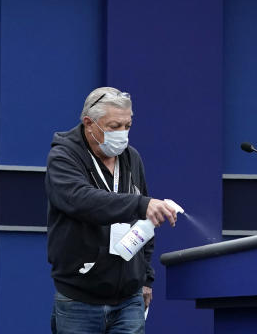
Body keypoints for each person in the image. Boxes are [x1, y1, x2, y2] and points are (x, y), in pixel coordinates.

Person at [46, 87, 178, 333]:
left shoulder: (132, 158)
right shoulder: (63, 156)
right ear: (89, 123)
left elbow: (145, 221)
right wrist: (141, 205)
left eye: (128, 125)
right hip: (79, 300)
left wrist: (146, 278)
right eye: (115, 126)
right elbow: (81, 200)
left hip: (129, 299)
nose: (123, 134)